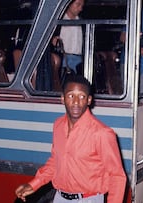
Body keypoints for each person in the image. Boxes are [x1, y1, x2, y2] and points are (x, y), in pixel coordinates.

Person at [15, 75, 127, 203]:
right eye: (70, 96)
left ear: (89, 100)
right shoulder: (58, 125)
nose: (76, 102)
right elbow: (55, 162)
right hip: (60, 197)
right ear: (62, 99)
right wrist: (33, 185)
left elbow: (117, 176)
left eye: (81, 96)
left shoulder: (102, 133)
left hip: (88, 199)